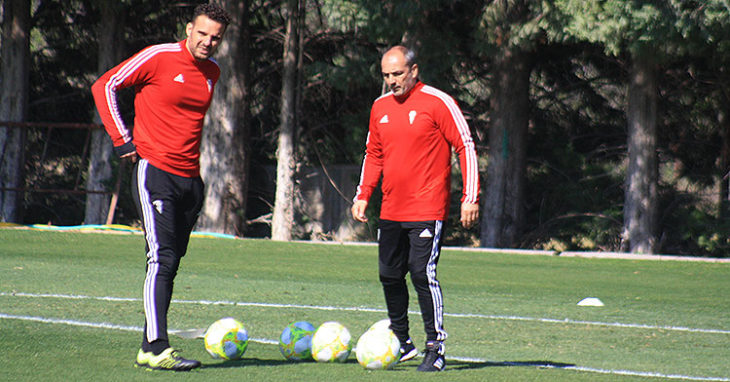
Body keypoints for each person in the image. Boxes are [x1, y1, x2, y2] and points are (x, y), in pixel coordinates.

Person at [91, 3, 231, 371]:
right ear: (189, 29)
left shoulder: (212, 71)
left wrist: (195, 182)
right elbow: (105, 85)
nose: (207, 42)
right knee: (162, 258)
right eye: (202, 33)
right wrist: (122, 139)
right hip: (155, 172)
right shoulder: (158, 57)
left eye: (215, 37)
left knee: (171, 262)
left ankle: (148, 344)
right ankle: (156, 347)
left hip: (190, 180)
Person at [352, 46, 480, 372]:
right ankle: (402, 342)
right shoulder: (379, 107)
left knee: (423, 273)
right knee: (389, 274)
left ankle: (435, 348)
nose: (392, 81)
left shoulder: (438, 102)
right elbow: (373, 153)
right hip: (391, 208)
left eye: (397, 74)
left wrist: (470, 196)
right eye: (386, 75)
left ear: (413, 70)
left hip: (428, 207)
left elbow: (464, 145)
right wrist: (363, 193)